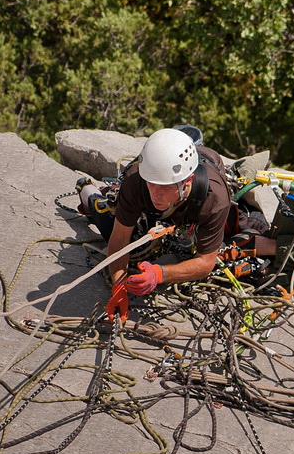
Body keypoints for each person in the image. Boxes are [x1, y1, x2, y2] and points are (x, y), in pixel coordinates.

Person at [77, 127, 274, 323]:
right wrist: (119, 286)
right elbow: (120, 239)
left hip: (202, 187)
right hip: (159, 194)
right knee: (113, 227)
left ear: (188, 181)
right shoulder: (137, 179)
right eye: (152, 183)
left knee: (248, 228)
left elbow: (205, 262)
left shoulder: (214, 197)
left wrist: (160, 274)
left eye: (164, 187)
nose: (155, 194)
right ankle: (90, 194)